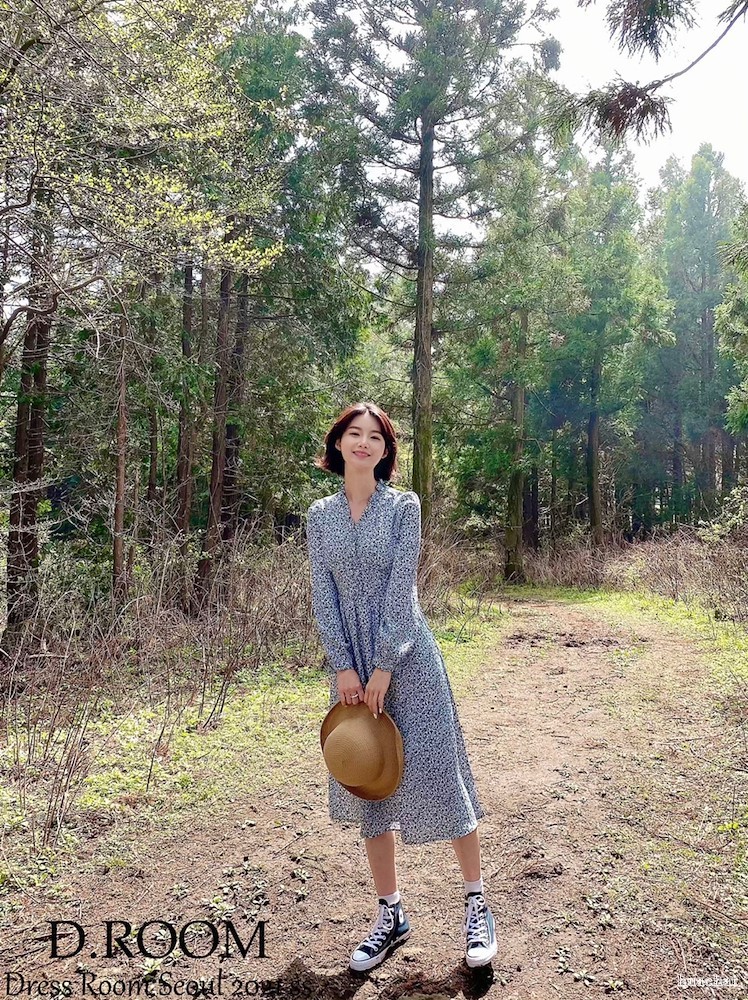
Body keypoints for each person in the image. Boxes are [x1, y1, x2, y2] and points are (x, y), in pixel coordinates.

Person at [305, 401, 497, 972]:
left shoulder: (403, 507)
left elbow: (401, 590)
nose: (363, 443)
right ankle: (390, 914)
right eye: (354, 433)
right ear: (339, 443)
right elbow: (323, 594)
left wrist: (385, 665)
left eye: (375, 436)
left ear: (386, 450)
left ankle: (477, 905)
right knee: (371, 778)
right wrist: (344, 666)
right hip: (352, 669)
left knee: (441, 773)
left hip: (407, 658)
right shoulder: (319, 515)